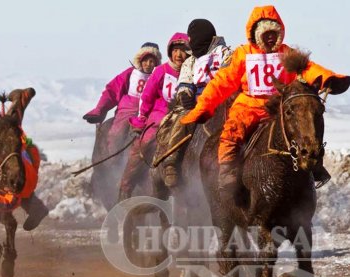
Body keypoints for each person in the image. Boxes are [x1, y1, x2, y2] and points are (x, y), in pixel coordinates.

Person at [180, 5, 350, 202]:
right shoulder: (243, 54)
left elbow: (308, 68)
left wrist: (329, 79)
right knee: (232, 130)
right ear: (255, 34)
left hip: (280, 104)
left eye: (273, 33)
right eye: (265, 33)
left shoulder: (287, 53)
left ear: (279, 33)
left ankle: (314, 164)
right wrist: (203, 107)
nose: (270, 38)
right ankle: (227, 170)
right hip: (249, 104)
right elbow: (222, 82)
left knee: (307, 123)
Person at [159, 19, 232, 187]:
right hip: (198, 102)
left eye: (192, 38)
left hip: (223, 100)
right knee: (182, 119)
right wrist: (185, 94)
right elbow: (185, 82)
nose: (191, 43)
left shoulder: (227, 53)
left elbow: (232, 73)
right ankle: (171, 161)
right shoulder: (190, 61)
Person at [118, 32, 190, 200]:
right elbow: (147, 97)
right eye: (175, 50)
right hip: (160, 114)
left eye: (183, 50)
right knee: (144, 143)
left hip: (184, 114)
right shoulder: (161, 71)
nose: (179, 55)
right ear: (170, 51)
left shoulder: (191, 72)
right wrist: (141, 119)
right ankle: (126, 186)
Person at [0, 89, 49, 231]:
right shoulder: (19, 182)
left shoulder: (17, 185)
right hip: (24, 162)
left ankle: (21, 98)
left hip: (26, 161)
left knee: (12, 128)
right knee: (11, 128)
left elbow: (8, 204)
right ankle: (20, 98)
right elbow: (10, 202)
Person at [83, 42, 162, 153]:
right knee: (116, 132)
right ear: (139, 60)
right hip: (128, 109)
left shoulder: (160, 76)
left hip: (150, 111)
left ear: (156, 62)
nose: (148, 64)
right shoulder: (130, 73)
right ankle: (112, 158)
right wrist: (100, 110)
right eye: (145, 60)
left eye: (151, 61)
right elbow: (112, 91)